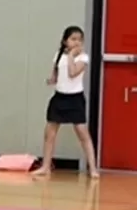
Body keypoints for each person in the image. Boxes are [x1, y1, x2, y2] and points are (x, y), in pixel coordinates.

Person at [35, 25, 99, 180]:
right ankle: (45, 166)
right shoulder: (58, 55)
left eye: (79, 40)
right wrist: (51, 80)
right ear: (65, 41)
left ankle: (93, 168)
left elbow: (72, 73)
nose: (77, 42)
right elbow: (56, 74)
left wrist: (71, 55)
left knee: (83, 134)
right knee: (49, 133)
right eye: (73, 39)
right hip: (59, 98)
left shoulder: (83, 58)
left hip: (75, 99)